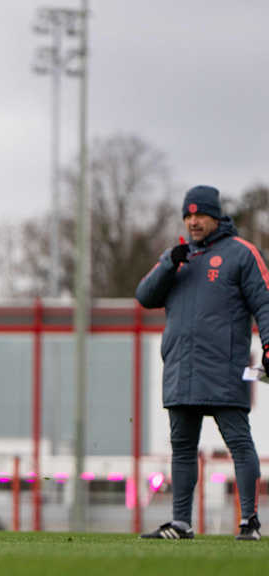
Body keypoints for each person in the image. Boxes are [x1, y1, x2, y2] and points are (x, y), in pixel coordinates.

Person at [137, 185, 267, 541]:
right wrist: (168, 263)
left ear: (216, 216)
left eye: (200, 215)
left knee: (239, 444)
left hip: (224, 368)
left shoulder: (242, 253)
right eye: (188, 215)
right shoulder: (177, 258)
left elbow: (265, 303)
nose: (193, 222)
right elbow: (144, 296)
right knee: (182, 448)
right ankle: (181, 523)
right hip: (181, 369)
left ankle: (249, 523)